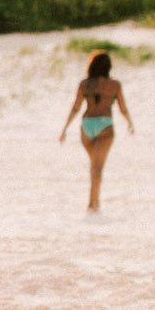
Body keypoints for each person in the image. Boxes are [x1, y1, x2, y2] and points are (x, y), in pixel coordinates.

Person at [59, 49, 133, 211]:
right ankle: (93, 203)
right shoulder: (114, 85)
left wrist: (65, 128)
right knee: (97, 167)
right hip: (105, 125)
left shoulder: (84, 84)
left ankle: (92, 202)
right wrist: (129, 123)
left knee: (94, 166)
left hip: (86, 125)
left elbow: (76, 107)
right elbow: (123, 108)